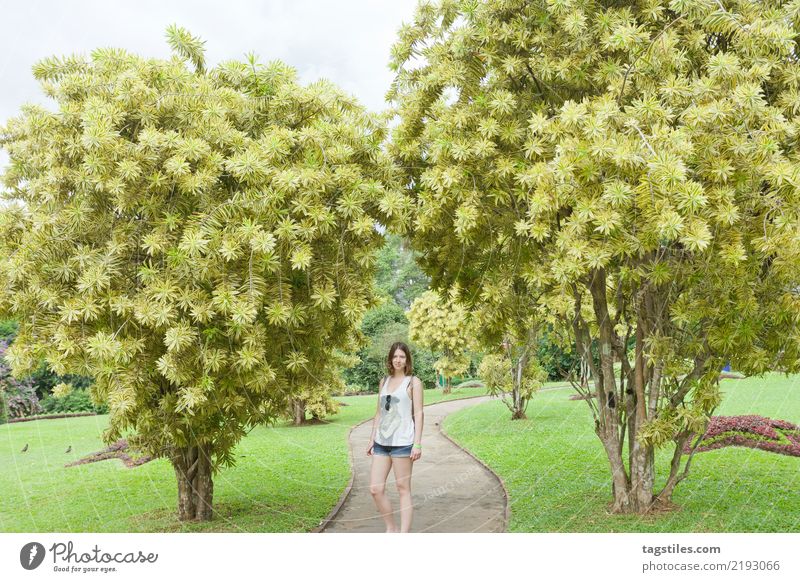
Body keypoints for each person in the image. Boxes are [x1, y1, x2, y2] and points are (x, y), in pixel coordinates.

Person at [366, 341, 424, 533]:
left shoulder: (413, 382)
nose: (398, 360)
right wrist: (371, 438)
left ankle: (403, 535)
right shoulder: (384, 381)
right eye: (395, 356)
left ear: (407, 359)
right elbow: (378, 413)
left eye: (402, 356)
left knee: (402, 488)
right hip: (382, 443)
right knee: (375, 488)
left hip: (403, 443)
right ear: (390, 359)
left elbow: (419, 414)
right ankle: (391, 528)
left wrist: (417, 444)